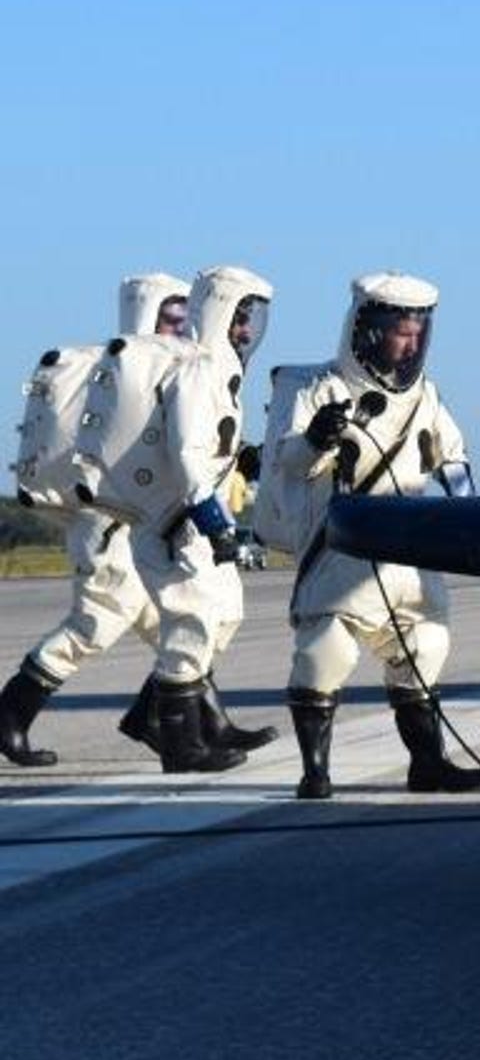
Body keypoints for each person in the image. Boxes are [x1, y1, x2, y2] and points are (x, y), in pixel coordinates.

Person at [265, 273, 480, 799]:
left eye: (418, 332)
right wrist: (319, 437)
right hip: (344, 549)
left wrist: (473, 513)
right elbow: (286, 463)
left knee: (426, 645)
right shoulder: (314, 388)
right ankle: (314, 773)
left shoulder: (425, 398)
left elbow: (451, 458)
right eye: (400, 331)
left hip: (409, 556)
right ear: (367, 330)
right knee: (325, 655)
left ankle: (428, 764)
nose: (410, 343)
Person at [0, 273, 190, 767]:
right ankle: (8, 719)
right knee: (94, 625)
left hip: (136, 525)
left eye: (183, 318)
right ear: (145, 315)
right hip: (108, 526)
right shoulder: (116, 377)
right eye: (170, 317)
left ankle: (167, 723)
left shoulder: (155, 372)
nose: (180, 327)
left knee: (185, 625)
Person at [125, 264, 280, 772]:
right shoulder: (194, 368)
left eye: (252, 318)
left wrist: (248, 460)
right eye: (240, 316)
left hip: (198, 520)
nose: (246, 328)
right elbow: (188, 454)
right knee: (191, 622)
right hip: (178, 522)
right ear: (217, 311)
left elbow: (214, 449)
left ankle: (156, 714)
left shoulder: (219, 370)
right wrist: (216, 523)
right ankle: (179, 744)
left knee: (226, 614)